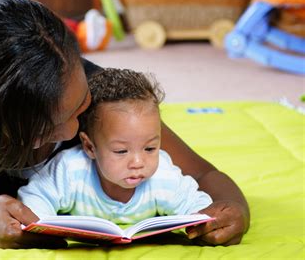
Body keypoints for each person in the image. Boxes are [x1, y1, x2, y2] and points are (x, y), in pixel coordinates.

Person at [0, 0, 249, 249]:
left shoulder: (92, 92)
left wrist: (234, 211)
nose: (73, 132)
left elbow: (204, 175)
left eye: (79, 108)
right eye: (47, 128)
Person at [18, 68, 213, 224]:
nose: (138, 162)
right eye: (121, 151)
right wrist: (43, 226)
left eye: (150, 148)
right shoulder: (70, 170)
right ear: (89, 147)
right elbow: (35, 198)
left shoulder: (163, 175)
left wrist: (202, 222)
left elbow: (197, 203)